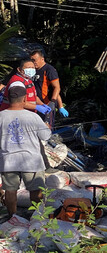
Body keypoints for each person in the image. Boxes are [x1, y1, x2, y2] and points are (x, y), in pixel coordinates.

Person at [0, 82, 51, 217]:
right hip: (32, 161)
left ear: (8, 98)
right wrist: (47, 127)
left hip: (8, 162)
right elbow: (45, 136)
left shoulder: (1, 116)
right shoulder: (33, 117)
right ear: (24, 99)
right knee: (36, 190)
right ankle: (38, 216)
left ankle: (13, 217)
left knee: (10, 191)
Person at [30, 50, 69, 125]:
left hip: (46, 105)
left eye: (35, 60)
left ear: (42, 59)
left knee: (45, 128)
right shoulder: (32, 70)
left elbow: (56, 88)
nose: (33, 62)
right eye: (31, 60)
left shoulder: (49, 70)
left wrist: (57, 104)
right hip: (34, 104)